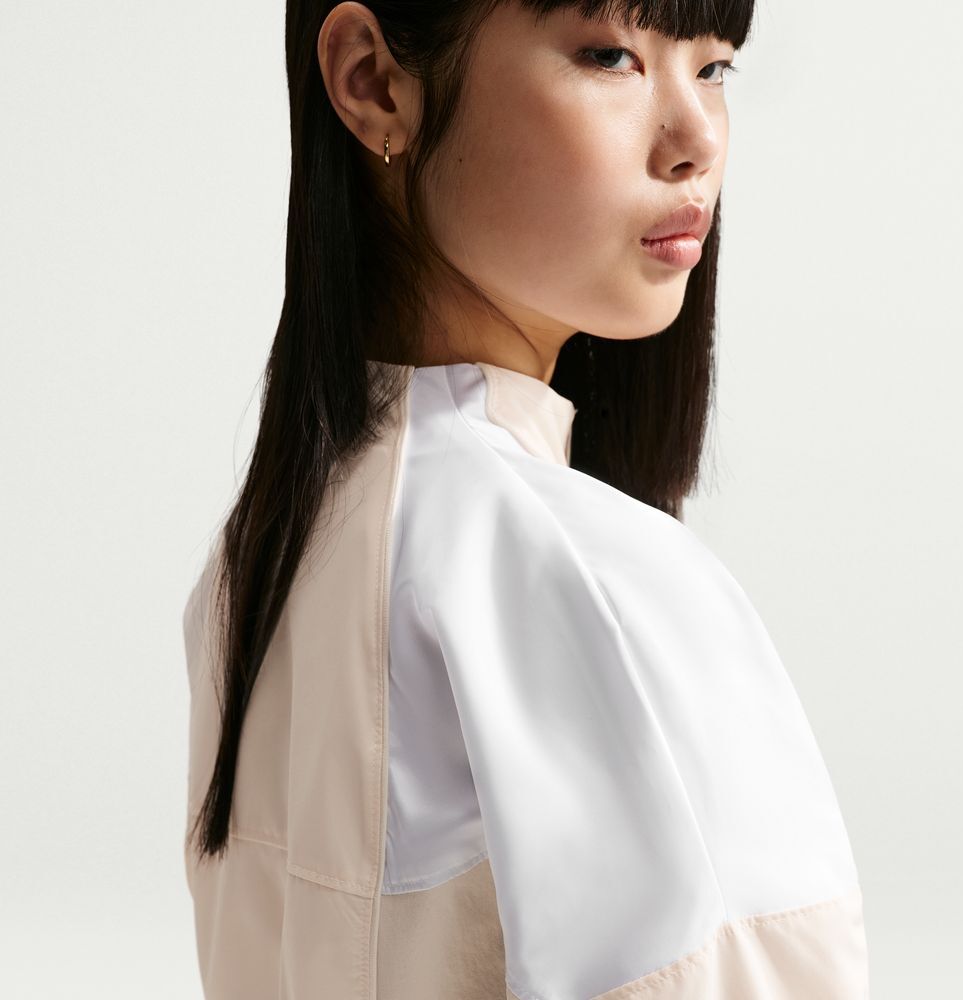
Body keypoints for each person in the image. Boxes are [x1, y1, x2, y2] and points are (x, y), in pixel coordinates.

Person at [182, 1, 871, 997]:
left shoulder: (253, 562)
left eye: (714, 67)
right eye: (611, 55)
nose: (697, 141)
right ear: (373, 80)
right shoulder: (585, 576)